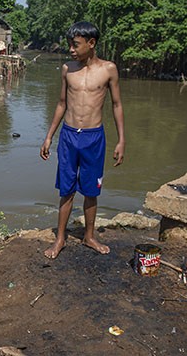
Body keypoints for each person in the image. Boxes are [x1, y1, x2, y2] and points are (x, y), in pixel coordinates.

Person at [39, 21, 125, 259]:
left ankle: (89, 236)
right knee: (66, 189)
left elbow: (117, 105)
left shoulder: (108, 69)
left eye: (76, 45)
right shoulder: (68, 68)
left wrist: (121, 140)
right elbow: (61, 104)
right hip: (68, 136)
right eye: (70, 44)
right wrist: (48, 137)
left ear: (91, 43)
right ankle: (60, 239)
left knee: (91, 190)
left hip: (93, 137)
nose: (71, 49)